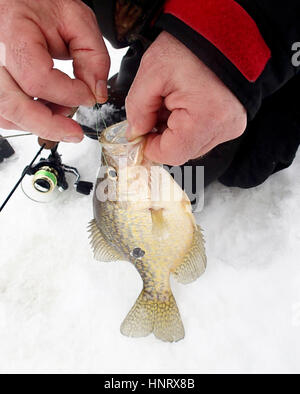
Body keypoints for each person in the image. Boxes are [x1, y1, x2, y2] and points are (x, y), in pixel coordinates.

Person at [0, 0, 299, 188]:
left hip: (273, 29)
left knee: (245, 167)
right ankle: (159, 41)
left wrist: (235, 35)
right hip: (153, 15)